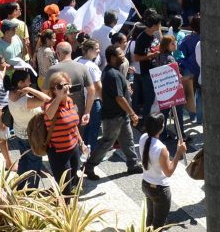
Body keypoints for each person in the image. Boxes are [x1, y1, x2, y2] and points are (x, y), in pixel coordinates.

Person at [85, 44, 142, 180]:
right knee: (107, 142)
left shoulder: (111, 71)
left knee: (128, 140)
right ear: (112, 58)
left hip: (121, 115)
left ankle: (133, 164)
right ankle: (90, 166)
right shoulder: (112, 74)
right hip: (113, 116)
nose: (123, 56)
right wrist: (133, 113)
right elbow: (119, 97)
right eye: (120, 55)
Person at [138, 112, 188, 228]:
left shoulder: (142, 138)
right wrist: (178, 153)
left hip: (146, 184)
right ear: (161, 128)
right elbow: (169, 172)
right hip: (160, 190)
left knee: (149, 218)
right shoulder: (161, 148)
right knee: (159, 224)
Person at [5, 68, 50, 187]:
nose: (30, 83)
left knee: (24, 161)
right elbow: (47, 99)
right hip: (32, 136)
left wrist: (27, 90)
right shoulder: (25, 102)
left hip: (19, 134)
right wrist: (30, 90)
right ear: (20, 83)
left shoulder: (11, 93)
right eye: (28, 81)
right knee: (34, 163)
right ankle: (32, 190)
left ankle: (20, 186)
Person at [44, 71, 83, 197]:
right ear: (53, 90)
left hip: (74, 148)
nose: (64, 88)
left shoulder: (70, 101)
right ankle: (63, 211)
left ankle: (69, 208)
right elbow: (49, 114)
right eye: (60, 86)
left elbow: (74, 126)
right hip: (59, 152)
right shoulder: (50, 104)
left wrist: (81, 143)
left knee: (72, 182)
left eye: (66, 85)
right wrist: (59, 97)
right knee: (64, 189)